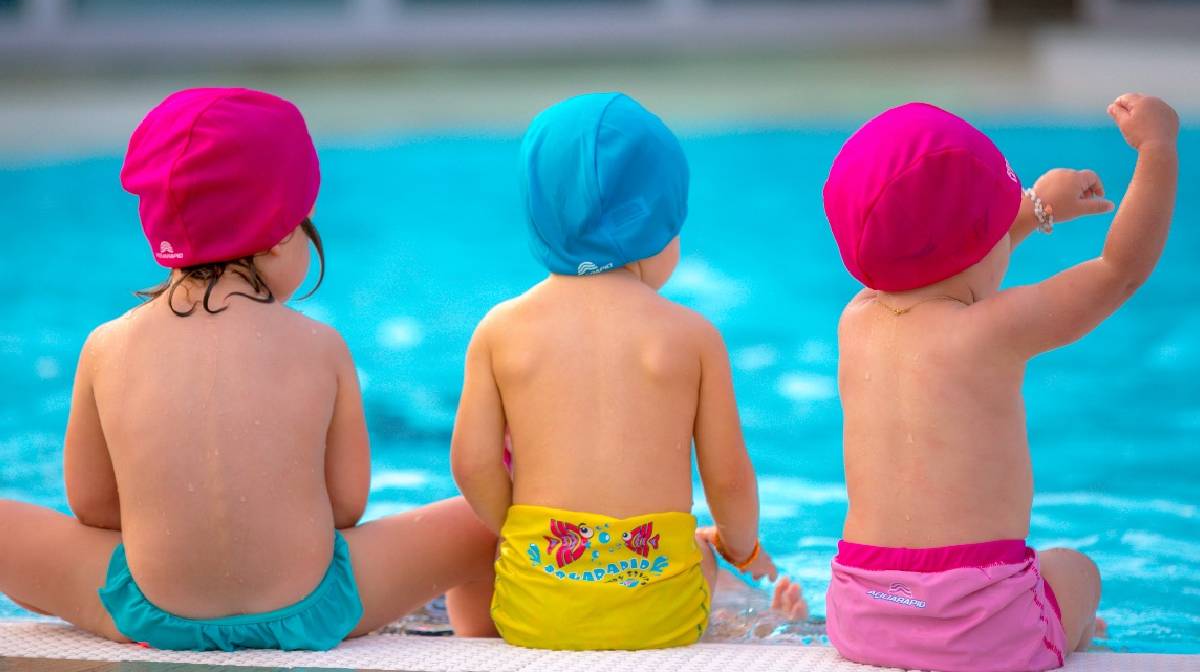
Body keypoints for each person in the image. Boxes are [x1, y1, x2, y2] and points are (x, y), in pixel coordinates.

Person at [0, 87, 498, 650]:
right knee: (487, 514)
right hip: (314, 607)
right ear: (284, 231)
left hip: (150, 609)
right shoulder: (320, 346)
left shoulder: (107, 346)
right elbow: (345, 507)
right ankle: (478, 640)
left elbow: (91, 505)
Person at [821, 94, 1178, 671]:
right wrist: (1158, 150)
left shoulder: (855, 321)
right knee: (1075, 569)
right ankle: (1064, 628)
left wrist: (1036, 209)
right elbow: (1120, 270)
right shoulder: (992, 332)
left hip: (862, 615)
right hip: (982, 635)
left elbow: (940, 257)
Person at [451, 92, 803, 651]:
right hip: (662, 619)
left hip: (534, 609)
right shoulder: (692, 337)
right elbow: (730, 480)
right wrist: (740, 549)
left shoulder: (499, 331)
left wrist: (513, 534)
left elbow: (472, 465)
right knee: (701, 549)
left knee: (464, 567)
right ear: (657, 224)